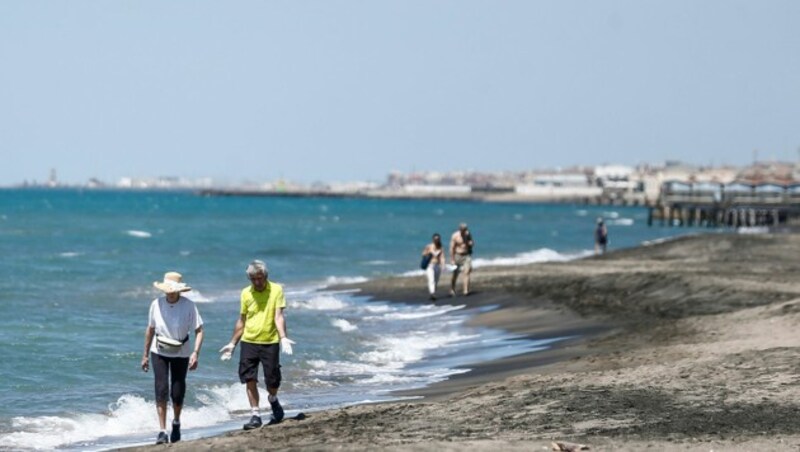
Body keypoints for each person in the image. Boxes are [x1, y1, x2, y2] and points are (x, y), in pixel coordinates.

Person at [219, 260, 296, 430]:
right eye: (253, 279)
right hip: (249, 341)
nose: (257, 282)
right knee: (249, 378)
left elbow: (278, 316)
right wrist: (232, 343)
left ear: (265, 276)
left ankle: (273, 399)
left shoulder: (276, 289)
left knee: (273, 380)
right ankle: (255, 415)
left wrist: (283, 337)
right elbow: (242, 320)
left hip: (270, 341)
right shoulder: (246, 293)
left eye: (260, 278)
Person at [141, 272, 204, 445]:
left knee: (177, 391)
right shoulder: (156, 304)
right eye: (167, 290)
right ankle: (162, 431)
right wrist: (145, 354)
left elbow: (199, 330)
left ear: (179, 291)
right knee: (161, 388)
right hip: (159, 350)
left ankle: (176, 422)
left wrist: (195, 353)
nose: (169, 292)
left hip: (181, 352)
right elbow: (150, 329)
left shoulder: (189, 306)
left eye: (173, 290)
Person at [449, 223, 474, 296]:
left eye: (465, 229)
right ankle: (452, 288)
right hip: (458, 255)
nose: (465, 231)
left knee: (467, 272)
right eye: (463, 229)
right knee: (455, 274)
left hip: (466, 255)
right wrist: (452, 259)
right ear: (460, 229)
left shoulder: (468, 234)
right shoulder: (455, 235)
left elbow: (472, 243)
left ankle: (466, 290)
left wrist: (470, 243)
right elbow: (452, 248)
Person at [421, 233, 446, 300]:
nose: (436, 240)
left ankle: (433, 292)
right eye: (435, 239)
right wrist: (429, 252)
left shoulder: (441, 248)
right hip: (430, 265)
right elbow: (423, 254)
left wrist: (443, 265)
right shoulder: (429, 246)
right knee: (431, 279)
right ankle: (432, 293)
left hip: (437, 265)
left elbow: (442, 257)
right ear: (433, 239)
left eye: (438, 239)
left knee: (436, 280)